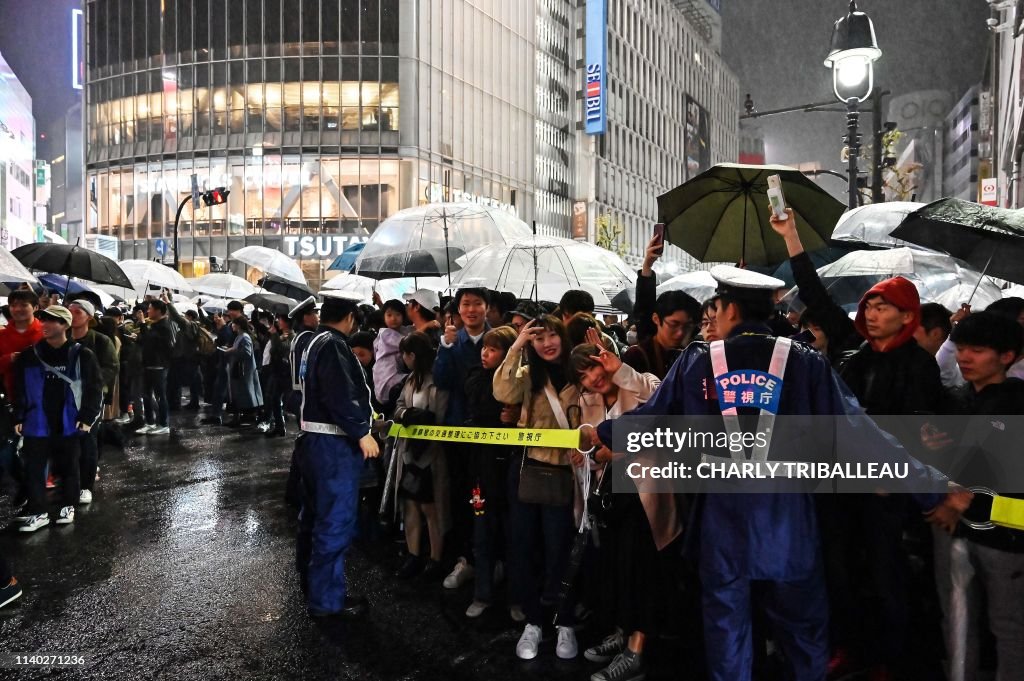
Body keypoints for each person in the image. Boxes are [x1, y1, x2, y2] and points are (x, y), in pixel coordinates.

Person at [588, 263, 962, 681]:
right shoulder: (806, 362)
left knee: (727, 631)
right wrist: (932, 486)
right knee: (803, 631)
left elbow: (652, 419)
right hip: (787, 522)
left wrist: (603, 431)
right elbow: (861, 434)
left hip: (722, 522)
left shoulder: (698, 361)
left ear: (729, 309)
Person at [927, 311, 1024, 681]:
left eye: (978, 350)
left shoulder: (1014, 402)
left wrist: (957, 499)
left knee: (1008, 625)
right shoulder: (959, 399)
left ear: (1007, 356)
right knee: (957, 621)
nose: (965, 357)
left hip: (1005, 536)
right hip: (956, 532)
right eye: (962, 348)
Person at [570, 328, 671, 681]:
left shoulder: (637, 383)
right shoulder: (587, 402)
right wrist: (586, 457)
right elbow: (596, 453)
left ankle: (636, 650)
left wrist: (621, 369)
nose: (593, 378)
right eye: (583, 375)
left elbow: (662, 399)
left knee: (641, 570)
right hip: (610, 495)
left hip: (645, 491)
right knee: (615, 568)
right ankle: (622, 634)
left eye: (595, 367)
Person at [493, 314, 581, 661]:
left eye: (551, 336)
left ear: (562, 335)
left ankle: (565, 622)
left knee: (562, 550)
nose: (546, 343)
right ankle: (533, 621)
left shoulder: (579, 375)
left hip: (567, 473)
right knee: (523, 547)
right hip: (528, 470)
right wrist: (515, 346)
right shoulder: (529, 376)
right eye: (538, 338)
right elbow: (502, 390)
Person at [295, 296, 378, 619]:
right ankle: (327, 599)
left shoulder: (314, 341)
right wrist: (362, 431)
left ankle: (312, 584)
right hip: (333, 445)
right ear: (350, 318)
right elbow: (340, 393)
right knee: (333, 522)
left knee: (313, 518)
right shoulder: (334, 345)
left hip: (313, 442)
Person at [14, 306, 103, 532]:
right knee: (34, 468)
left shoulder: (82, 354)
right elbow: (20, 389)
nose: (44, 325)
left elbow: (94, 388)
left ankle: (67, 505)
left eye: (51, 321)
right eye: (43, 320)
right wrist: (18, 415)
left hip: (69, 420)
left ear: (64, 325)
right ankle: (38, 511)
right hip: (37, 419)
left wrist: (87, 417)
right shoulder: (29, 355)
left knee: (69, 465)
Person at [434, 287, 492, 590]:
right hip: (457, 431)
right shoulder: (450, 341)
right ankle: (464, 558)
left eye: (477, 304)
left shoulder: (498, 339)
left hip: (490, 432)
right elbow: (441, 381)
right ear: (458, 309)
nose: (471, 309)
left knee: (486, 498)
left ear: (487, 307)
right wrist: (445, 346)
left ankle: (491, 560)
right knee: (461, 496)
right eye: (466, 304)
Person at [463, 325, 519, 618]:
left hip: (511, 465)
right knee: (482, 532)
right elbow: (482, 404)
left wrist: (517, 415)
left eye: (494, 348)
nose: (485, 353)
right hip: (482, 468)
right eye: (485, 347)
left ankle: (516, 598)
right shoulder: (475, 376)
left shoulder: (522, 379)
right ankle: (482, 594)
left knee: (514, 535)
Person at [392, 331, 450, 580]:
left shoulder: (437, 381)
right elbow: (398, 407)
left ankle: (436, 558)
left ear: (412, 355)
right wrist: (406, 415)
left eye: (404, 354)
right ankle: (414, 554)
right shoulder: (410, 380)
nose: (402, 359)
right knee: (411, 506)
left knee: (431, 508)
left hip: (431, 454)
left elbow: (441, 417)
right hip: (408, 453)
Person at [67, 299, 118, 504]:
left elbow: (111, 367)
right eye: (69, 310)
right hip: (66, 397)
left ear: (89, 316)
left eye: (77, 311)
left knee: (87, 438)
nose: (72, 314)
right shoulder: (62, 339)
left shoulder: (101, 340)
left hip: (91, 397)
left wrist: (91, 383)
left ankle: (86, 486)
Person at [621, 290, 700, 379]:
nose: (680, 333)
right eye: (674, 324)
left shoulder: (693, 355)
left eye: (687, 326)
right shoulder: (636, 356)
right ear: (656, 319)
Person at [137, 300, 175, 436]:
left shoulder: (164, 326)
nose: (148, 311)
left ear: (159, 311)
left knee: (160, 396)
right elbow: (146, 341)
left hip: (159, 365)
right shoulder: (154, 325)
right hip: (148, 364)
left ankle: (164, 424)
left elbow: (151, 341)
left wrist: (142, 323)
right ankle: (150, 422)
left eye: (150, 309)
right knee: (146, 395)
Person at [223, 316, 263, 427]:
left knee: (244, 394)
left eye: (233, 323)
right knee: (239, 394)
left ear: (238, 325)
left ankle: (246, 417)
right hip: (238, 369)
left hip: (243, 370)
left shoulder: (244, 337)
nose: (232, 325)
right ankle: (240, 417)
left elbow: (246, 353)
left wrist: (232, 350)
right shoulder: (239, 336)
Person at [373, 299, 411, 411]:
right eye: (389, 315)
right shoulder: (386, 333)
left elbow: (412, 330)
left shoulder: (404, 330)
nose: (393, 318)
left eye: (397, 314)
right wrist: (427, 325)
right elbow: (409, 342)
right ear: (383, 317)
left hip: (395, 375)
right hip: (387, 378)